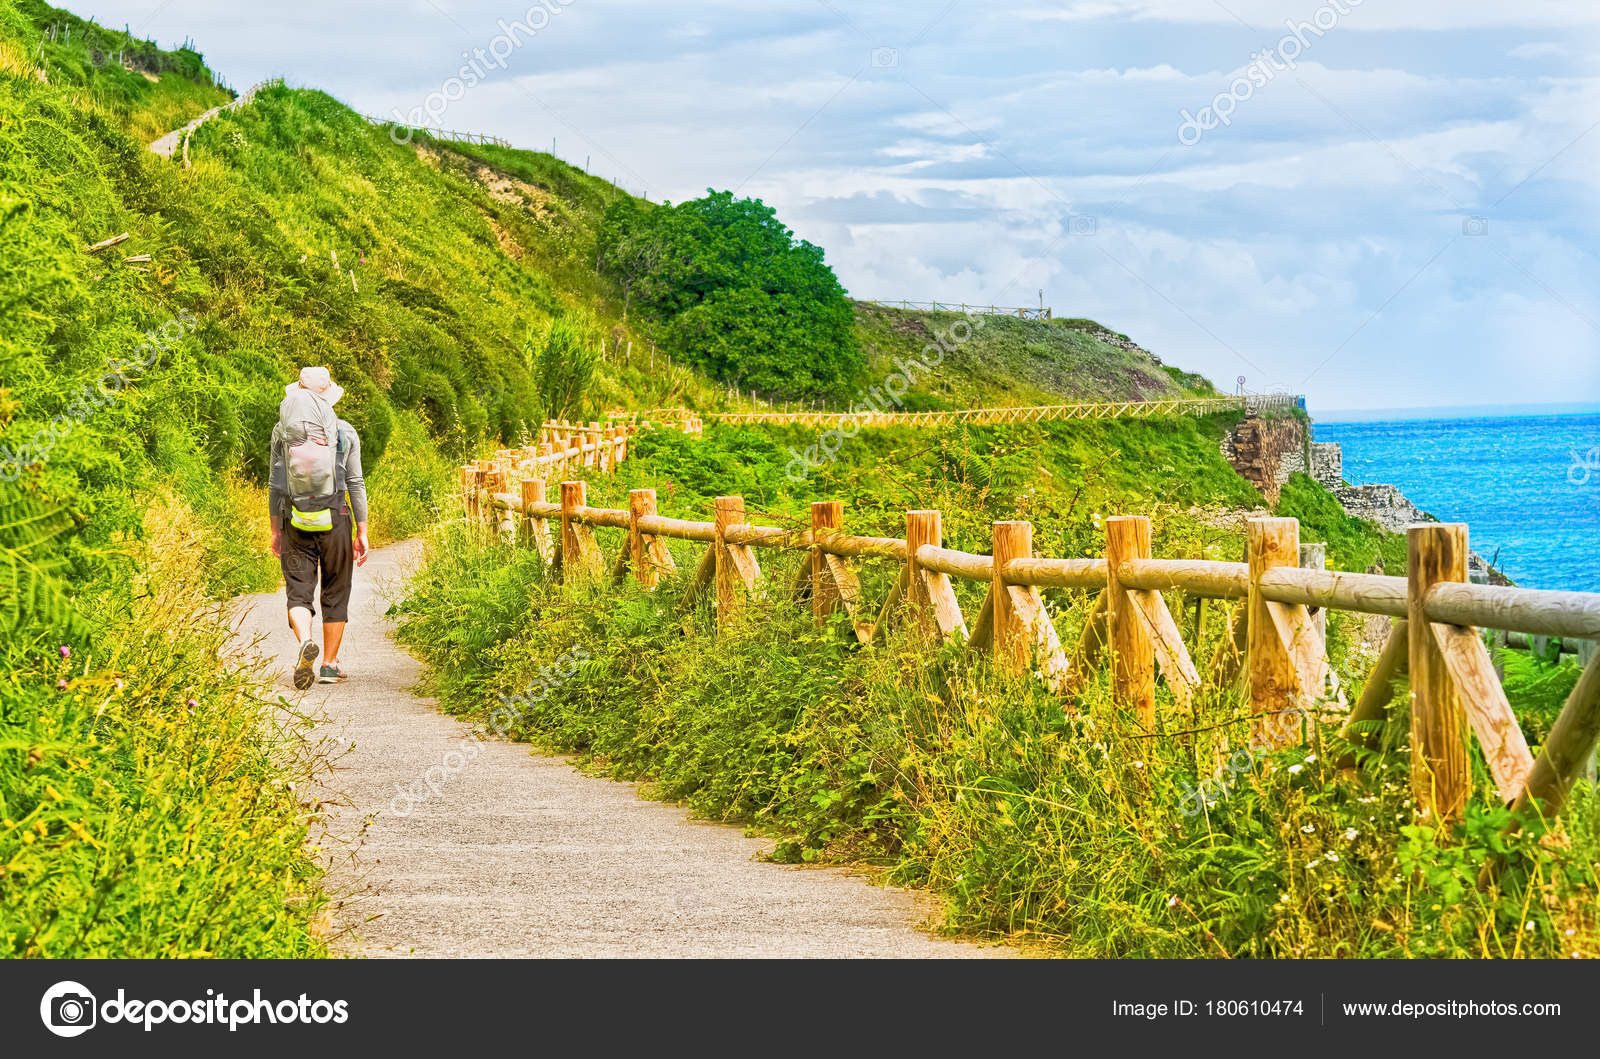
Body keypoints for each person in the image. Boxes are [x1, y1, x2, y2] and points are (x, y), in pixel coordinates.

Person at [268, 367, 370, 689]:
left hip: (295, 520)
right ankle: (328, 664)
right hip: (336, 518)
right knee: (336, 590)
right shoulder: (345, 433)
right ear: (329, 396)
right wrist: (362, 531)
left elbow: (275, 485)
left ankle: (303, 644)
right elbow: (355, 483)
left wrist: (275, 530)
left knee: (298, 591)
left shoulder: (280, 432)